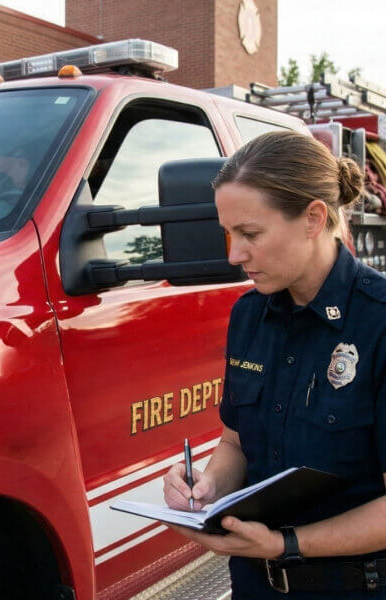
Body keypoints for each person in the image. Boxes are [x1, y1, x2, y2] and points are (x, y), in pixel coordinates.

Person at [163, 130, 386, 598]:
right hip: (253, 585)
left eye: (250, 234)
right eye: (228, 233)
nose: (234, 255)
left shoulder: (378, 323)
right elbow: (236, 442)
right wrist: (205, 489)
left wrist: (286, 544)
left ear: (312, 218)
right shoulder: (249, 314)